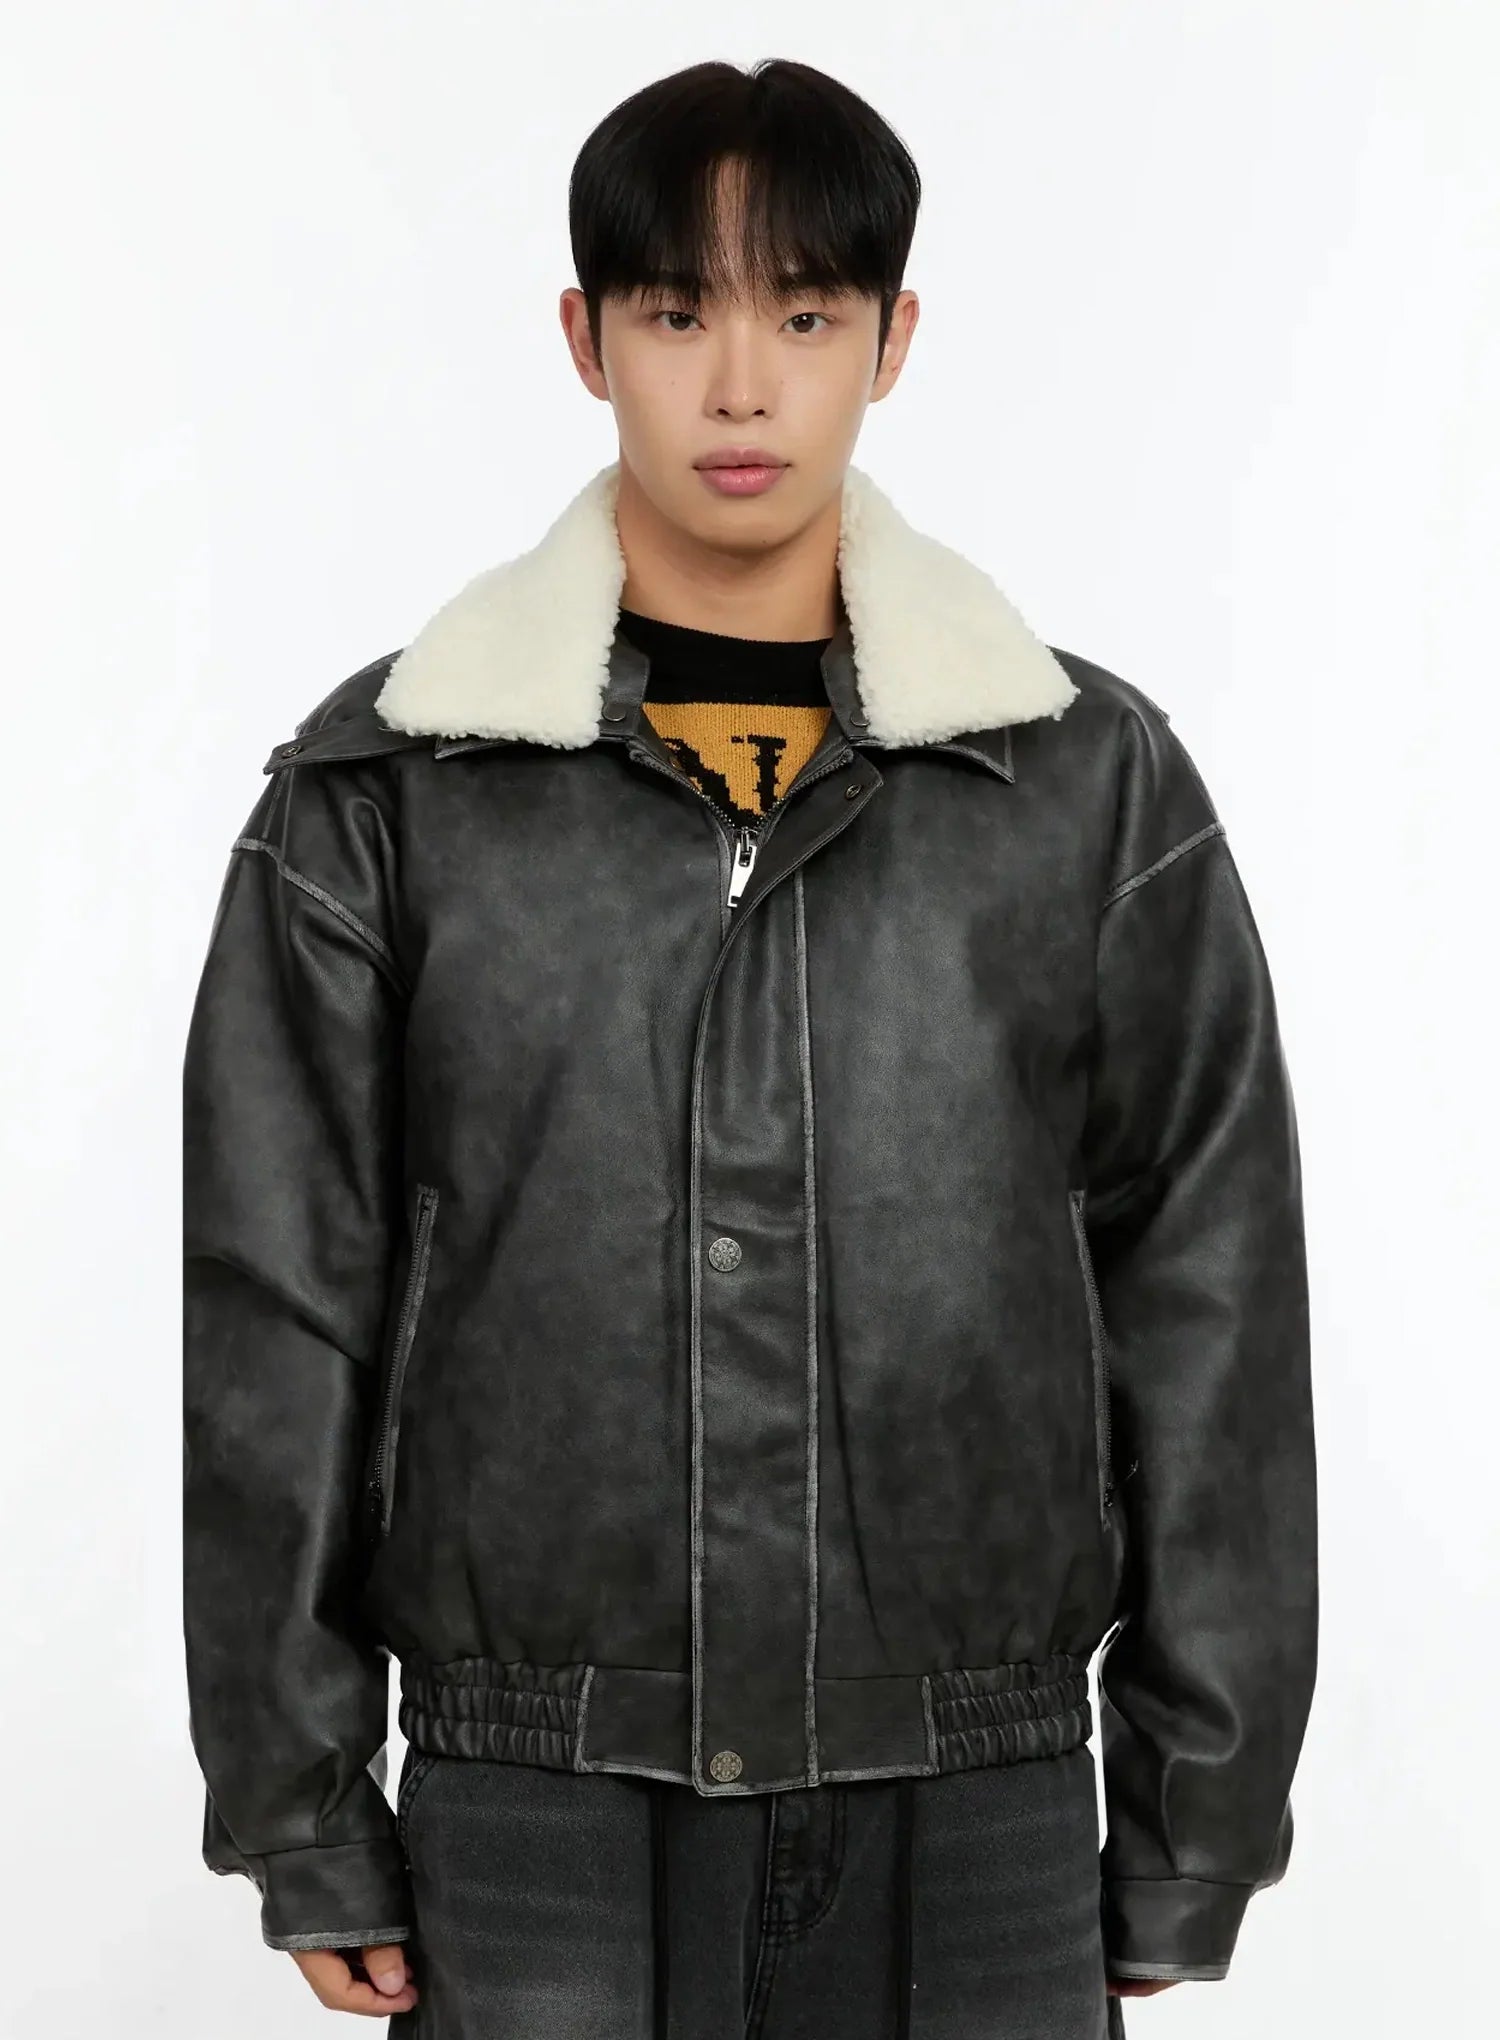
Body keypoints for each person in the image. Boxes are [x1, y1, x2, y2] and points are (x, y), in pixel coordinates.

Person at [181, 55, 1318, 2040]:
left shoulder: (1086, 789)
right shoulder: (391, 795)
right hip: (530, 1793)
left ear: (893, 340)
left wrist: (1195, 1809)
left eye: (802, 317)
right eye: (674, 313)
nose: (738, 387)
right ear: (584, 339)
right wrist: (300, 1799)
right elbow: (282, 1310)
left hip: (976, 1795)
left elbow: (1208, 1296)